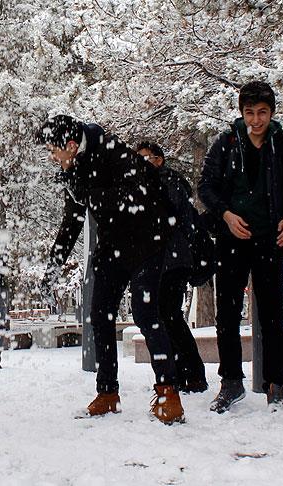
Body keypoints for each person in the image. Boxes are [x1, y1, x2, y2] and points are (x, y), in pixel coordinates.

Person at [36, 115, 184, 424]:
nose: (53, 157)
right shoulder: (74, 169)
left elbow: (128, 198)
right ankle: (107, 392)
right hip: (113, 245)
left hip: (147, 240)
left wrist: (86, 188)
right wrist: (52, 268)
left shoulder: (112, 152)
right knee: (99, 314)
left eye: (54, 150)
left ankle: (168, 391)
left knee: (146, 314)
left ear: (72, 145)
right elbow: (72, 221)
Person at [198, 81, 283, 412]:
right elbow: (206, 187)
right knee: (228, 313)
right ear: (242, 113)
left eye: (262, 113)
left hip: (269, 239)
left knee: (272, 313)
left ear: (271, 112)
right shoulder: (226, 144)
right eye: (250, 113)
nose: (256, 120)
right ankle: (231, 382)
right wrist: (227, 215)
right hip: (232, 239)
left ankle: (277, 384)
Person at [135, 141, 208, 393]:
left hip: (172, 262)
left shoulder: (168, 182)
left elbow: (175, 220)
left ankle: (189, 373)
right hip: (162, 262)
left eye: (147, 159)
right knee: (167, 317)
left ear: (159, 160)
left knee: (169, 317)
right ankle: (182, 373)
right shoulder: (146, 186)